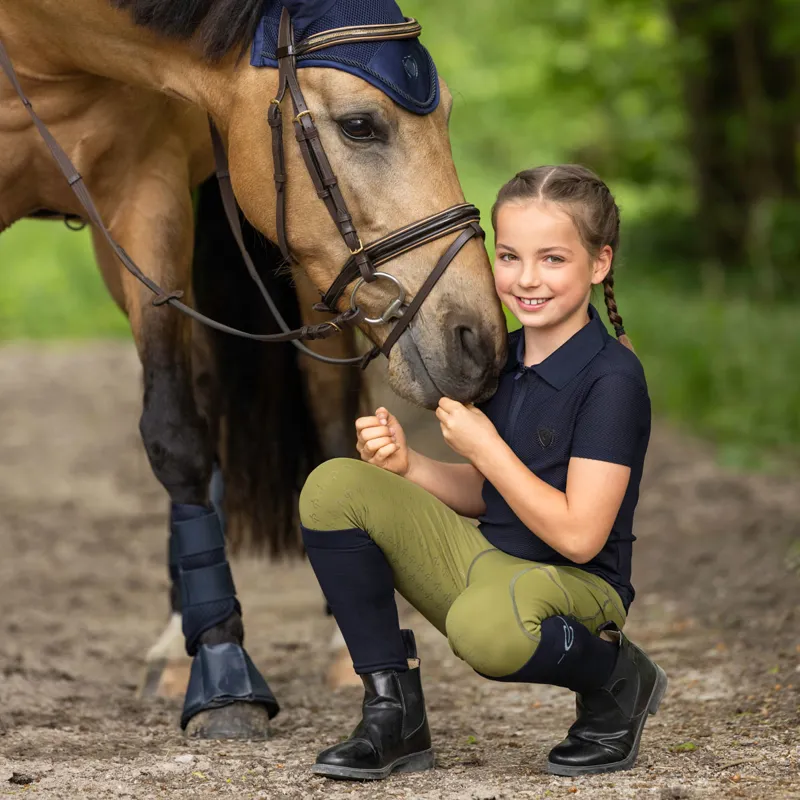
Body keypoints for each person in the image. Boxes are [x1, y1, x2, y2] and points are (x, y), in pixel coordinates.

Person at [298, 165, 667, 780]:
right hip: (486, 559)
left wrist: (487, 445)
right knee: (333, 487)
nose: (527, 279)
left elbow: (580, 536)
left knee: (487, 632)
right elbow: (487, 495)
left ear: (600, 263)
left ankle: (618, 679)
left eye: (553, 259)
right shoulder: (505, 356)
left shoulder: (612, 381)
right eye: (510, 256)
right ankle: (393, 716)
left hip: (576, 584)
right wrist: (408, 464)